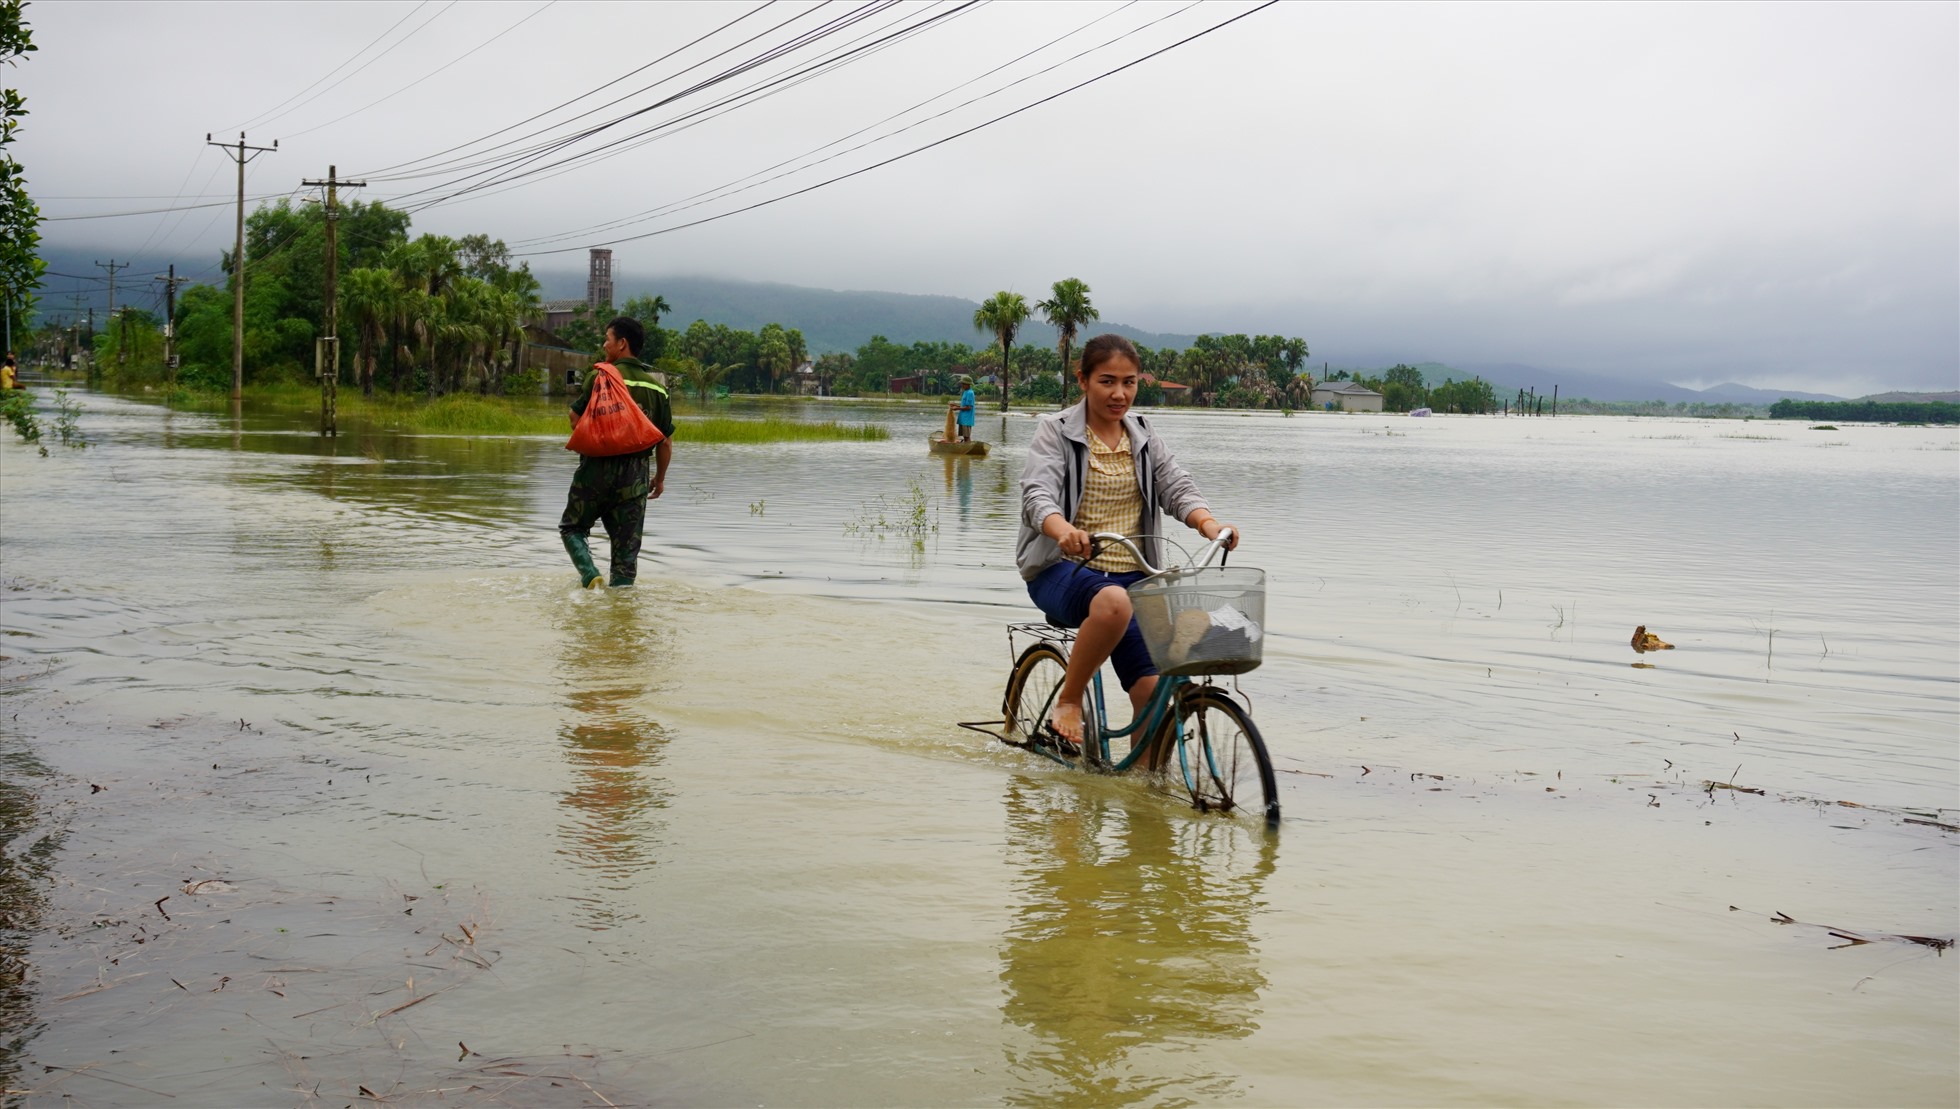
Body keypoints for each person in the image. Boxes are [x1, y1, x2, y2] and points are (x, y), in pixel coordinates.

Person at [1016, 333, 1239, 746]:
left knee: (1155, 697)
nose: (1120, 394)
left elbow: (1176, 487)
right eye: (1107, 381)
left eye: (1129, 382)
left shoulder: (1142, 434)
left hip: (1134, 575)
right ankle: (1069, 699)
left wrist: (1209, 524)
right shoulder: (1056, 431)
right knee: (1113, 602)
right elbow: (1037, 495)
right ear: (1082, 380)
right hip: (1063, 569)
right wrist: (1063, 530)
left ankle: (1140, 793)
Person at [560, 316, 674, 589]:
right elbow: (665, 442)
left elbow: (575, 419)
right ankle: (621, 613)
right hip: (634, 477)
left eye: (607, 340)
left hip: (594, 470)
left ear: (622, 344)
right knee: (626, 559)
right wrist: (658, 479)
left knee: (572, 528)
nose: (604, 345)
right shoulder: (657, 388)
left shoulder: (599, 379)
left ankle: (590, 574)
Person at [955, 375, 976, 442]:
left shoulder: (970, 393)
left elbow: (968, 407)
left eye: (963, 384)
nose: (962, 385)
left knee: (967, 437)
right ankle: (965, 448)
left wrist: (957, 409)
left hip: (967, 419)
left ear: (968, 384)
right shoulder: (965, 392)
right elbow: (964, 405)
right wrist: (956, 406)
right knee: (964, 436)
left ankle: (968, 448)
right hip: (963, 419)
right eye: (962, 384)